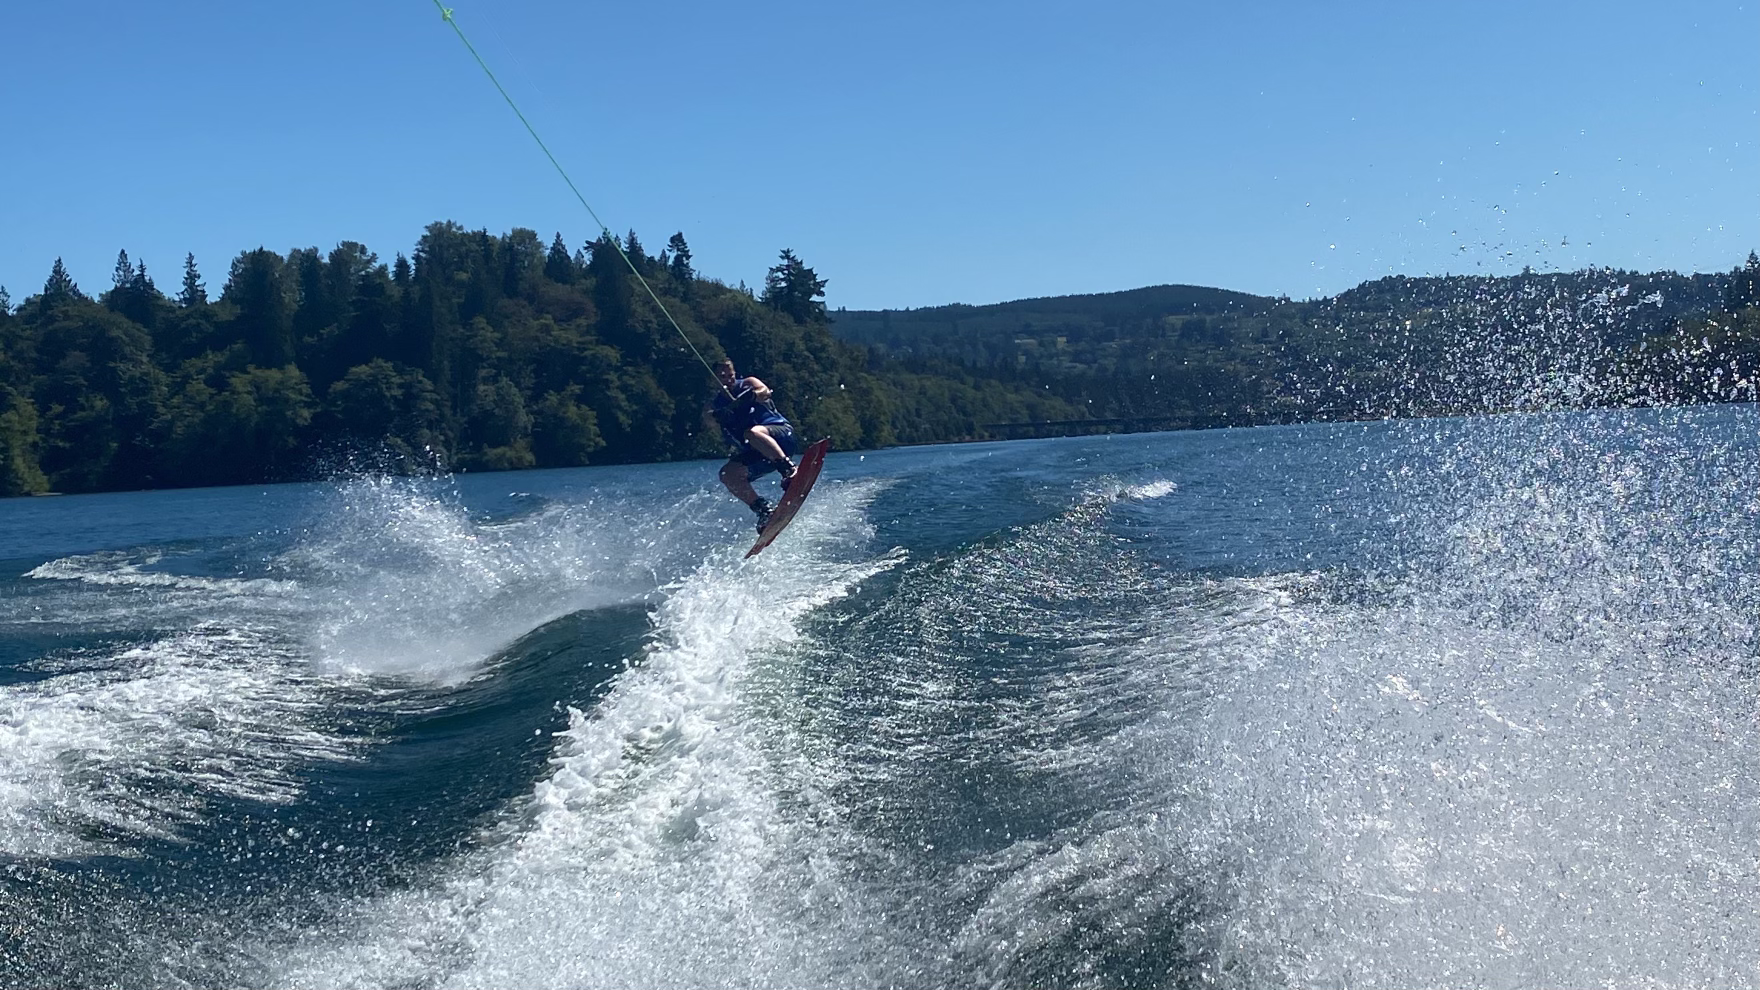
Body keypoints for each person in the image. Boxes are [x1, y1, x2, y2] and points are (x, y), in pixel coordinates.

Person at [710, 358, 799, 531]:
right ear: (715, 379)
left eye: (730, 374)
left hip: (781, 437)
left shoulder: (748, 383)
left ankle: (789, 470)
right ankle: (764, 510)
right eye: (722, 376)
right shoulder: (715, 403)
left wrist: (751, 396)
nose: (727, 379)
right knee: (727, 474)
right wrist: (717, 416)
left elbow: (764, 391)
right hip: (759, 453)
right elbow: (708, 419)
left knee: (752, 433)